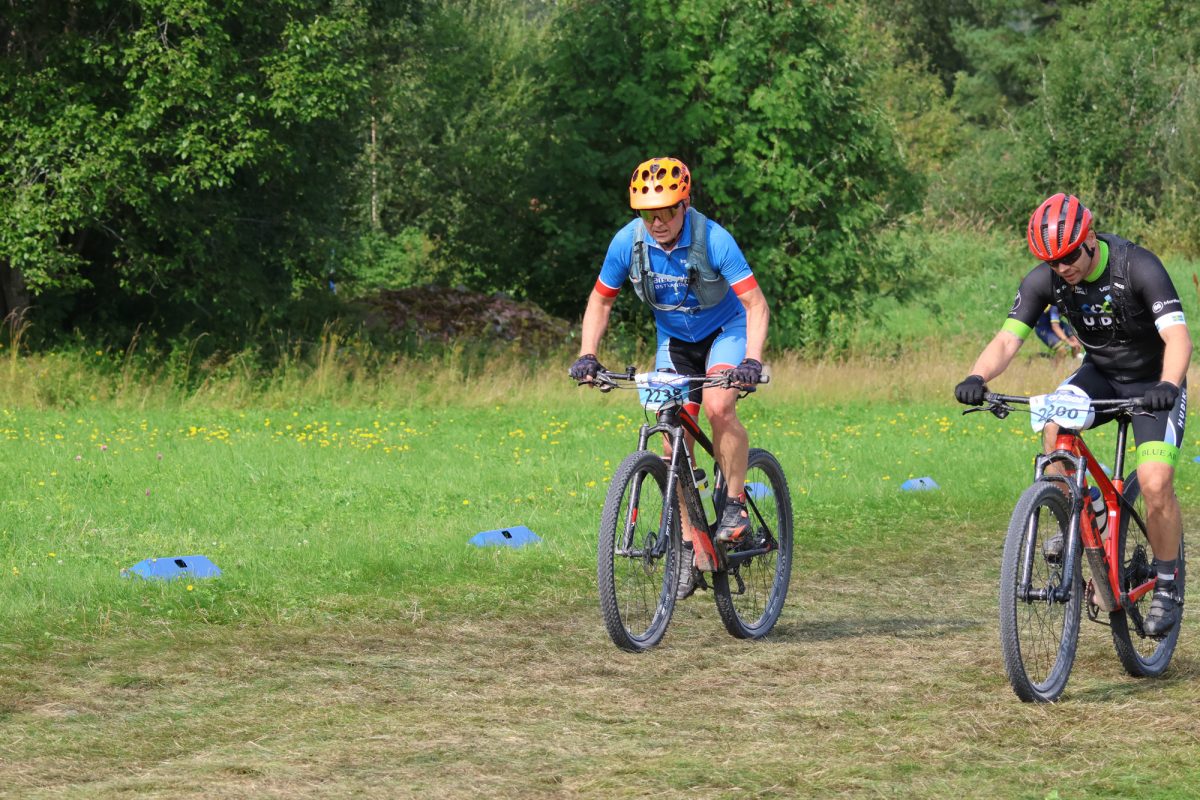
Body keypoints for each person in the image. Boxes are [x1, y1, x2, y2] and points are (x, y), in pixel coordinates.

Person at [955, 192, 1191, 636]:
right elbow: (1007, 339)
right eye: (1052, 261)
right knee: (1054, 429)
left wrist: (1167, 385)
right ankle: (1088, 511)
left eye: (1068, 257)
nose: (1062, 267)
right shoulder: (1046, 279)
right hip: (1100, 375)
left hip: (1156, 383)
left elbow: (1178, 338)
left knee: (1156, 482)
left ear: (1089, 238)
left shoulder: (1137, 266)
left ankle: (1166, 583)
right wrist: (977, 376)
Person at [568, 156, 770, 599]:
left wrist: (752, 361)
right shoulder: (628, 243)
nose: (657, 222)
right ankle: (688, 546)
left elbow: (755, 304)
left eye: (666, 212)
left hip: (725, 333)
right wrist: (588, 354)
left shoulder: (713, 239)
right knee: (669, 441)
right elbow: (600, 301)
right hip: (675, 342)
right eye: (648, 214)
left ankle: (735, 505)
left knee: (718, 406)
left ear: (685, 204)